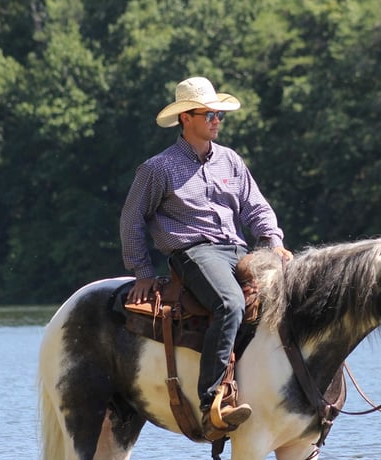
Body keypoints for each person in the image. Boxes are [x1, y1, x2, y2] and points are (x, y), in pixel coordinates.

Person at [120, 76, 293, 438]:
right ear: (186, 118)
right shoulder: (158, 168)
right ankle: (212, 400)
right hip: (194, 252)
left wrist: (273, 240)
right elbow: (132, 218)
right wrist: (142, 272)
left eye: (220, 115)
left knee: (286, 296)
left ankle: (276, 389)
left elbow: (256, 207)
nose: (217, 120)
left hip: (239, 249)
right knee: (230, 304)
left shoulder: (230, 160)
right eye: (209, 114)